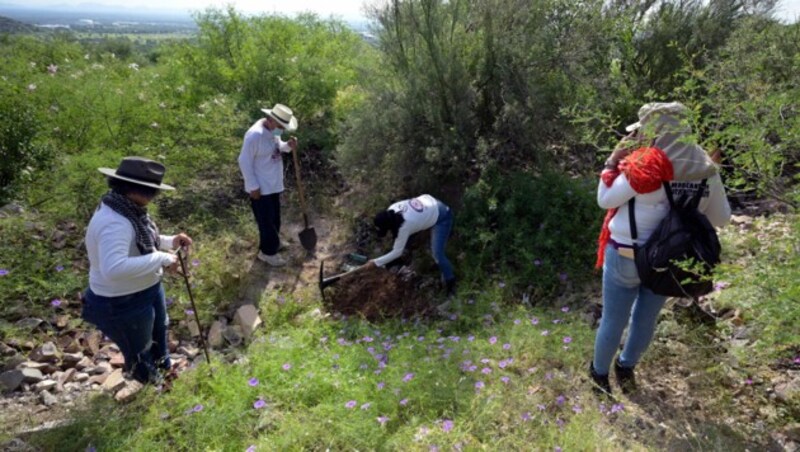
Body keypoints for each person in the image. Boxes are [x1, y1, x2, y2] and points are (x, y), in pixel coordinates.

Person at [590, 102, 731, 395]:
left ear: (651, 130)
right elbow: (722, 219)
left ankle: (599, 377)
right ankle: (626, 368)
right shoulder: (706, 169)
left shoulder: (645, 164)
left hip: (626, 254)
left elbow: (606, 199)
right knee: (645, 320)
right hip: (670, 260)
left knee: (614, 320)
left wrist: (612, 161)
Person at [82, 157, 193, 385]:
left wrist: (169, 242)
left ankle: (165, 373)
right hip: (122, 300)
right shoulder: (114, 222)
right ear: (135, 190)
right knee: (140, 351)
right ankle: (152, 388)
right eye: (151, 191)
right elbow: (113, 268)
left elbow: (140, 241)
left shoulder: (125, 207)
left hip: (147, 289)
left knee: (159, 334)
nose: (154, 197)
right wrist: (162, 258)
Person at [238, 103, 299, 267]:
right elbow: (244, 161)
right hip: (260, 188)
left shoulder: (272, 131)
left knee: (274, 218)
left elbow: (277, 147)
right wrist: (253, 186)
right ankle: (267, 253)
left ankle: (273, 243)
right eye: (281, 126)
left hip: (273, 184)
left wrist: (288, 146)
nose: (282, 130)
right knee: (266, 222)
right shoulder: (254, 136)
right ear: (271, 119)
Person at [362, 194, 456, 294]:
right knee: (405, 238)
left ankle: (450, 283)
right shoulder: (392, 209)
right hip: (430, 202)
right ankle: (405, 257)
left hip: (443, 216)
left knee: (437, 254)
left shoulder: (404, 227)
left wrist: (376, 262)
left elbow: (397, 252)